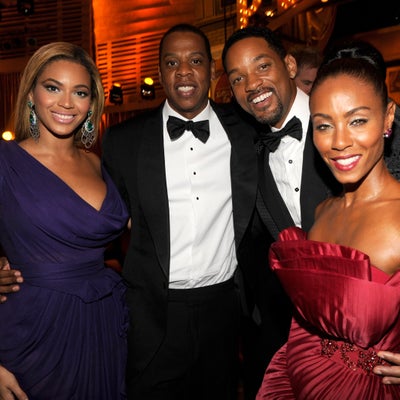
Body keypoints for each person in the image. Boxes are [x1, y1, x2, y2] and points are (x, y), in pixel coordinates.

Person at [101, 24, 257, 399]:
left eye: (195, 61)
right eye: (172, 63)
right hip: (153, 315)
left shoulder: (246, 131)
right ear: (160, 72)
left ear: (213, 71)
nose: (184, 72)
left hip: (223, 311)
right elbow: (98, 225)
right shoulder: (124, 141)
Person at [256, 41, 400, 399]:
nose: (339, 142)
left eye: (357, 121)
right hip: (298, 379)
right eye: (323, 126)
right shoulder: (322, 213)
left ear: (388, 117)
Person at [0, 42, 129, 399]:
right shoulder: (5, 162)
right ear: (31, 94)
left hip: (101, 323)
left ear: (91, 104)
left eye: (80, 92)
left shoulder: (99, 164)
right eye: (53, 87)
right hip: (32, 332)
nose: (67, 103)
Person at [221, 25, 340, 399]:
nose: (251, 85)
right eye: (238, 78)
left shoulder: (349, 118)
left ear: (289, 65)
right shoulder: (253, 158)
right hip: (309, 338)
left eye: (261, 66)